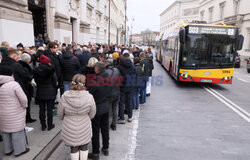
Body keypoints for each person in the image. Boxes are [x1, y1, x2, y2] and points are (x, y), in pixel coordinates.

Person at [58, 74, 96, 160]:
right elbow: (93, 113)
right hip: (84, 124)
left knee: (73, 147)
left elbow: (60, 113)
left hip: (69, 124)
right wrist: (86, 117)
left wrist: (65, 118)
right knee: (84, 146)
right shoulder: (89, 97)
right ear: (84, 83)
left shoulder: (65, 96)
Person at [0, 65, 30, 157]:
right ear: (11, 75)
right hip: (15, 112)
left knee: (5, 131)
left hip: (2, 112)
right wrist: (24, 106)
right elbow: (23, 99)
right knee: (17, 131)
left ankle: (8, 150)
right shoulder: (14, 84)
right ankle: (19, 150)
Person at [88, 62, 110, 160]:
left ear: (97, 70)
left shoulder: (95, 80)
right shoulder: (108, 77)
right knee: (105, 129)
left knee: (95, 130)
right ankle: (106, 148)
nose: (94, 70)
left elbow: (89, 93)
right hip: (106, 105)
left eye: (95, 68)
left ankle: (96, 153)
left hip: (97, 107)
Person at [34, 54, 57, 131]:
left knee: (42, 110)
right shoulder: (50, 70)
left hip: (40, 91)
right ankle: (50, 125)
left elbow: (36, 81)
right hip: (50, 91)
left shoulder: (36, 70)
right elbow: (55, 82)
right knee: (50, 109)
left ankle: (43, 125)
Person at [117, 53, 136, 124]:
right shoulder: (132, 66)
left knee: (121, 102)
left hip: (122, 86)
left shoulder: (120, 66)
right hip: (130, 85)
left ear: (123, 58)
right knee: (129, 102)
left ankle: (122, 118)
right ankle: (130, 117)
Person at [19, 53, 36, 123]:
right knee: (27, 104)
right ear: (27, 60)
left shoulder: (19, 65)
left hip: (23, 87)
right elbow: (27, 77)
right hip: (26, 87)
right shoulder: (25, 67)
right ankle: (27, 117)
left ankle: (27, 117)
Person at [104, 60, 121, 131]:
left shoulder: (105, 72)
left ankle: (106, 125)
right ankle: (114, 124)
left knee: (108, 110)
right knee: (115, 109)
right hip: (117, 92)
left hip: (109, 94)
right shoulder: (117, 70)